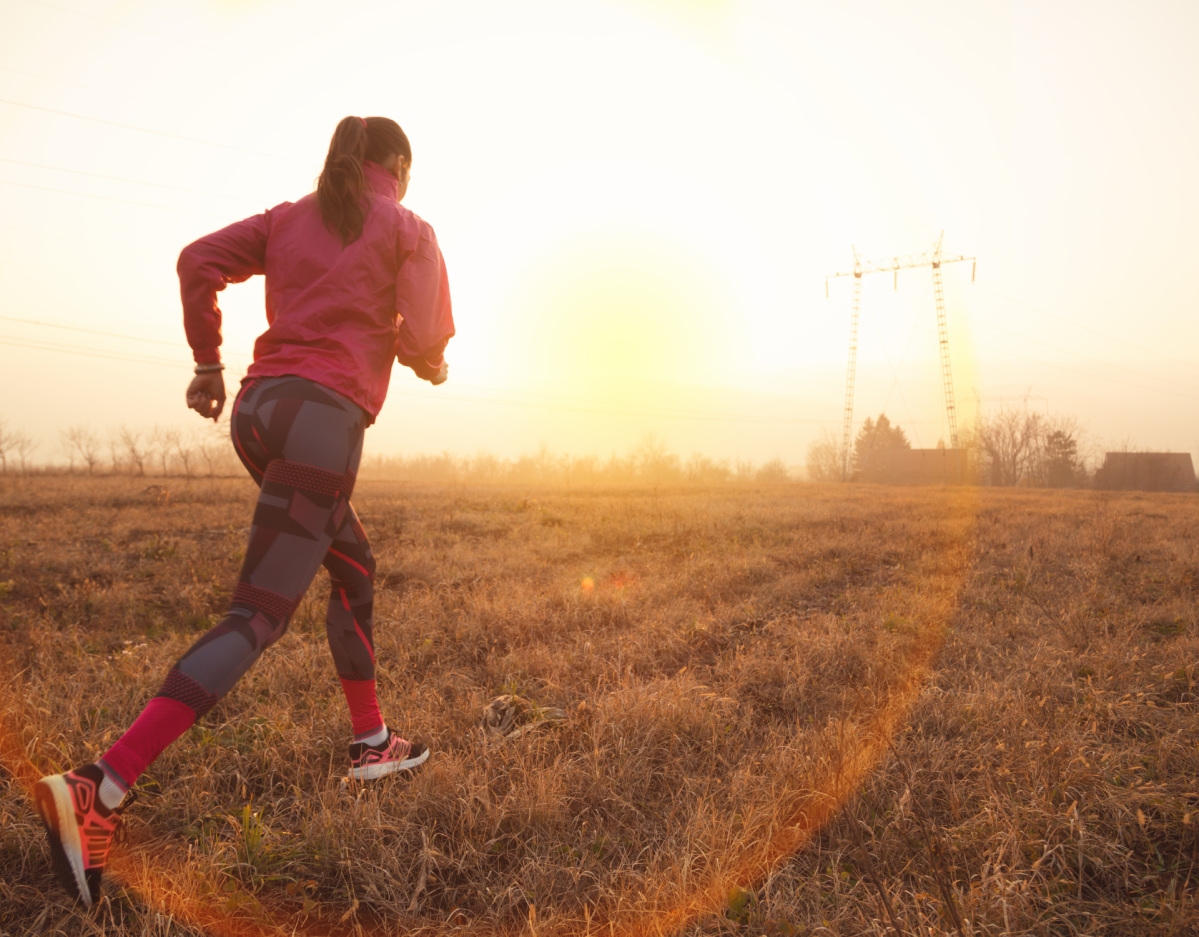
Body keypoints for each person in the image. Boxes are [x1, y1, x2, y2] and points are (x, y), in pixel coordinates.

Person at [34, 115, 454, 909]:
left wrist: (205, 363)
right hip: (324, 422)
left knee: (353, 567)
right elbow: (428, 332)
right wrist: (423, 356)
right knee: (256, 616)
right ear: (395, 164)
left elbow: (197, 261)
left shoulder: (288, 217)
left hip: (260, 412)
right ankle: (101, 785)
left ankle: (371, 743)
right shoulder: (406, 226)